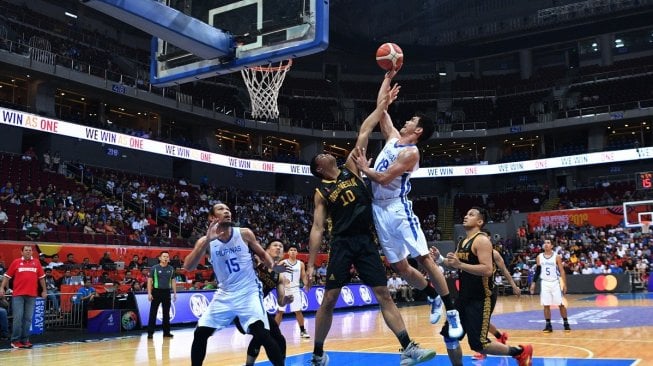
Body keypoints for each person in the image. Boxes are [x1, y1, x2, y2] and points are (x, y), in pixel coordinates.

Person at [306, 72, 436, 366]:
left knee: (383, 294)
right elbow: (316, 229)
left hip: (365, 241)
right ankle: (317, 352)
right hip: (341, 243)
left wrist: (384, 103)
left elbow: (366, 128)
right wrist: (312, 265)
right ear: (318, 168)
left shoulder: (352, 166)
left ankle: (408, 346)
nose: (327, 154)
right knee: (328, 299)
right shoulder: (321, 190)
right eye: (322, 156)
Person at [352, 80, 461, 336]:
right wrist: (387, 77)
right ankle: (432, 295)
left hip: (398, 209)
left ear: (419, 129)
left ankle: (452, 311)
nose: (406, 121)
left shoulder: (411, 153)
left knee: (423, 258)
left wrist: (362, 166)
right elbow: (382, 111)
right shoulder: (393, 139)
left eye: (411, 120)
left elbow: (383, 178)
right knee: (400, 266)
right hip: (378, 210)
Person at [183, 203, 287, 366]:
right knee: (200, 333)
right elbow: (188, 266)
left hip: (249, 291)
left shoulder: (244, 234)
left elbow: (262, 253)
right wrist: (206, 242)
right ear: (212, 217)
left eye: (228, 209)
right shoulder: (206, 241)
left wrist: (274, 266)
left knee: (263, 334)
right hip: (225, 294)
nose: (227, 212)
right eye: (221, 209)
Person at [442, 207, 533, 366]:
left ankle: (519, 352)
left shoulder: (482, 241)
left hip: (480, 298)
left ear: (480, 221)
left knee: (479, 344)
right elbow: (454, 264)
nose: (465, 216)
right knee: (449, 335)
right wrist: (439, 259)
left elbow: (487, 269)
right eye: (466, 213)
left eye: (471, 214)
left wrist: (460, 264)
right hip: (464, 298)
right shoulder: (463, 241)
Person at [244, 239, 292, 366]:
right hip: (242, 305)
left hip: (257, 309)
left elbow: (281, 302)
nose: (278, 248)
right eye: (275, 245)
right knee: (264, 336)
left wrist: (286, 299)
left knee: (279, 339)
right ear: (266, 250)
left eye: (281, 246)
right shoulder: (255, 260)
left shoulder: (279, 275)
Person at [0, 245, 47, 349]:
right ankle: (15, 340)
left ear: (32, 252)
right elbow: (7, 276)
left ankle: (25, 340)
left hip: (32, 295)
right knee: (18, 318)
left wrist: (44, 290)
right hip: (18, 295)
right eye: (26, 250)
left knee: (28, 319)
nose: (28, 252)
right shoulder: (16, 262)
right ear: (22, 252)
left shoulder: (36, 262)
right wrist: (2, 288)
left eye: (30, 250)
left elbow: (42, 278)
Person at [529, 238, 571, 333]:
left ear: (552, 246)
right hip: (545, 283)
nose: (546, 244)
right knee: (546, 305)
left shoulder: (556, 257)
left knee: (560, 304)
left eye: (548, 243)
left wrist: (564, 284)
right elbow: (538, 271)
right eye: (545, 243)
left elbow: (562, 271)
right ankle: (548, 325)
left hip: (555, 282)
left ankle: (566, 323)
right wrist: (533, 283)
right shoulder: (539, 257)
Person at [275, 245, 310, 338]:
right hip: (284, 290)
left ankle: (303, 331)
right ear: (288, 253)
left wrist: (306, 283)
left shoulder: (301, 264)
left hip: (295, 289)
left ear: (297, 253)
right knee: (280, 311)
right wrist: (282, 279)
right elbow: (275, 274)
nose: (293, 251)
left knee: (298, 311)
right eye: (291, 250)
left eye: (295, 250)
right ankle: (274, 331)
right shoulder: (283, 262)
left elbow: (303, 276)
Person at [147, 250, 177, 339]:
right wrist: (149, 293)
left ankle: (166, 332)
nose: (165, 258)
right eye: (164, 256)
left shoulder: (171, 269)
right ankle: (150, 333)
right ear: (160, 258)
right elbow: (149, 281)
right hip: (156, 292)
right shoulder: (154, 268)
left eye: (167, 257)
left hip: (166, 292)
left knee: (166, 313)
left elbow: (173, 281)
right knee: (153, 313)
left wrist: (175, 293)